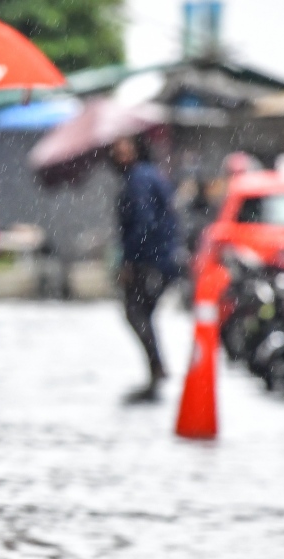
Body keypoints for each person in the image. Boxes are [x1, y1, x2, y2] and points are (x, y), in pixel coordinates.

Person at [110, 135, 181, 403]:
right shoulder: (147, 175)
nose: (121, 154)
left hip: (150, 259)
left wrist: (131, 260)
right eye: (117, 150)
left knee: (136, 311)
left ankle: (157, 367)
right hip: (160, 257)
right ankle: (156, 368)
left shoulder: (139, 179)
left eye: (127, 148)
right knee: (143, 312)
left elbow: (144, 220)